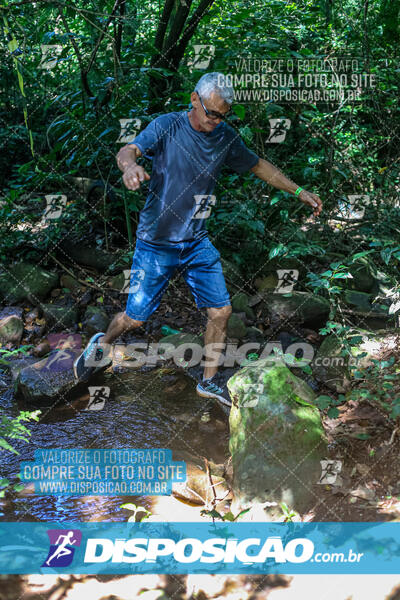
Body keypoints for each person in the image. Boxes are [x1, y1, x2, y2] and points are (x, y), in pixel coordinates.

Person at [74, 72, 322, 406]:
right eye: (212, 113)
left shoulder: (225, 137)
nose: (217, 121)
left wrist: (299, 190)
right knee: (135, 318)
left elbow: (258, 165)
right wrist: (129, 167)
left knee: (221, 312)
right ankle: (103, 341)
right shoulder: (167, 126)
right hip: (156, 243)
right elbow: (128, 150)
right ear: (194, 99)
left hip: (196, 241)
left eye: (224, 115)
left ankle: (209, 382)